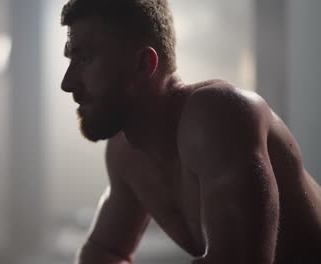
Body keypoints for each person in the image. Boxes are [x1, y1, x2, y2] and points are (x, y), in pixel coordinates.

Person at [59, 0, 321, 263]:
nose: (67, 83)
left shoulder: (219, 115)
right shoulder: (124, 153)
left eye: (85, 59)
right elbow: (104, 251)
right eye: (71, 59)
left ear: (143, 64)